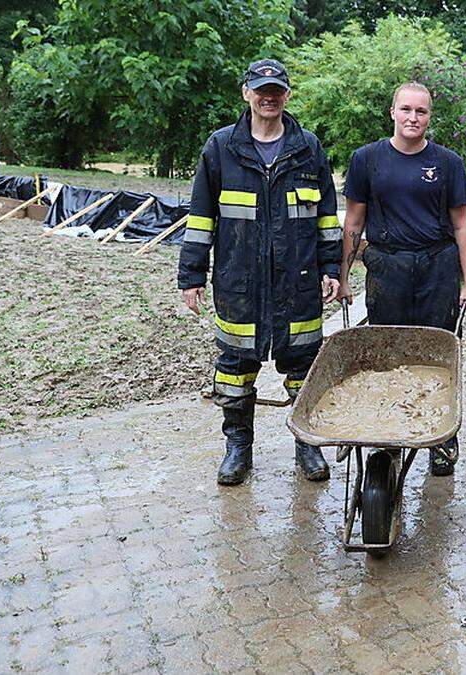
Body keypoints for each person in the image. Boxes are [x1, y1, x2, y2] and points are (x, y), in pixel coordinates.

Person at [178, 59, 341, 485]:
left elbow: (326, 217)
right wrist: (191, 275)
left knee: (304, 365)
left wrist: (331, 268)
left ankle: (308, 445)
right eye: (261, 89)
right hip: (239, 283)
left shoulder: (308, 148)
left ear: (287, 94)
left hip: (299, 281)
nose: (269, 96)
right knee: (234, 368)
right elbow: (200, 218)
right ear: (246, 93)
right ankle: (237, 448)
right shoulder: (220, 148)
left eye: (277, 90)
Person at [337, 82, 466, 477]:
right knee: (386, 352)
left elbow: (462, 225)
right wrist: (344, 275)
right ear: (392, 112)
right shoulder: (367, 160)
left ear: (430, 116)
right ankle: (386, 437)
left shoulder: (448, 163)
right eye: (406, 110)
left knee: (438, 353)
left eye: (422, 112)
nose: (413, 118)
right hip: (388, 266)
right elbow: (354, 221)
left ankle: (442, 441)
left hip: (438, 266)